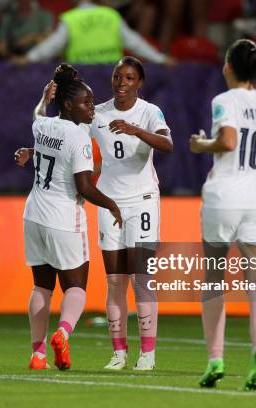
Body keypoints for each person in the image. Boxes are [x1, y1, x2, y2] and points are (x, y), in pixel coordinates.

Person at [189, 39, 256, 390]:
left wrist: (200, 144)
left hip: (225, 196)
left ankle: (215, 359)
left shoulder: (225, 100)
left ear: (230, 67)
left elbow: (229, 142)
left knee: (214, 280)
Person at [14, 64, 122, 371]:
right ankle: (62, 333)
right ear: (67, 105)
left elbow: (38, 116)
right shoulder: (78, 138)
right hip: (63, 218)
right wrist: (111, 204)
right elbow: (85, 187)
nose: (91, 108)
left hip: (34, 214)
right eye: (85, 103)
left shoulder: (42, 126)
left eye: (91, 102)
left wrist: (42, 98)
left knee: (41, 288)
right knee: (75, 287)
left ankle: (37, 355)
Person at [90, 56, 173, 371]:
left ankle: (147, 354)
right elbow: (69, 138)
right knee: (114, 281)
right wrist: (33, 150)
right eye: (117, 77)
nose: (121, 84)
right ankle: (119, 352)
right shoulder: (97, 114)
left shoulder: (150, 112)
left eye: (128, 78)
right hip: (108, 202)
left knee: (142, 279)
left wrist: (136, 130)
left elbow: (168, 144)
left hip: (143, 201)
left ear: (139, 82)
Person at [18, 0, 174, 65]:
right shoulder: (111, 15)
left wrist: (28, 58)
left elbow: (51, 46)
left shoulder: (72, 18)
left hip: (82, 79)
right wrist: (161, 59)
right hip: (112, 78)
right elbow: (135, 43)